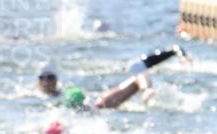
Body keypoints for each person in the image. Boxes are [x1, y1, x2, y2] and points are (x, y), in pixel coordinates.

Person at [38, 45, 185, 109]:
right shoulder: (34, 96)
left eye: (50, 77)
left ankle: (147, 91)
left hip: (96, 104)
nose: (46, 82)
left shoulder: (101, 102)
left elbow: (140, 73)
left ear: (56, 80)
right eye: (42, 78)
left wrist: (146, 90)